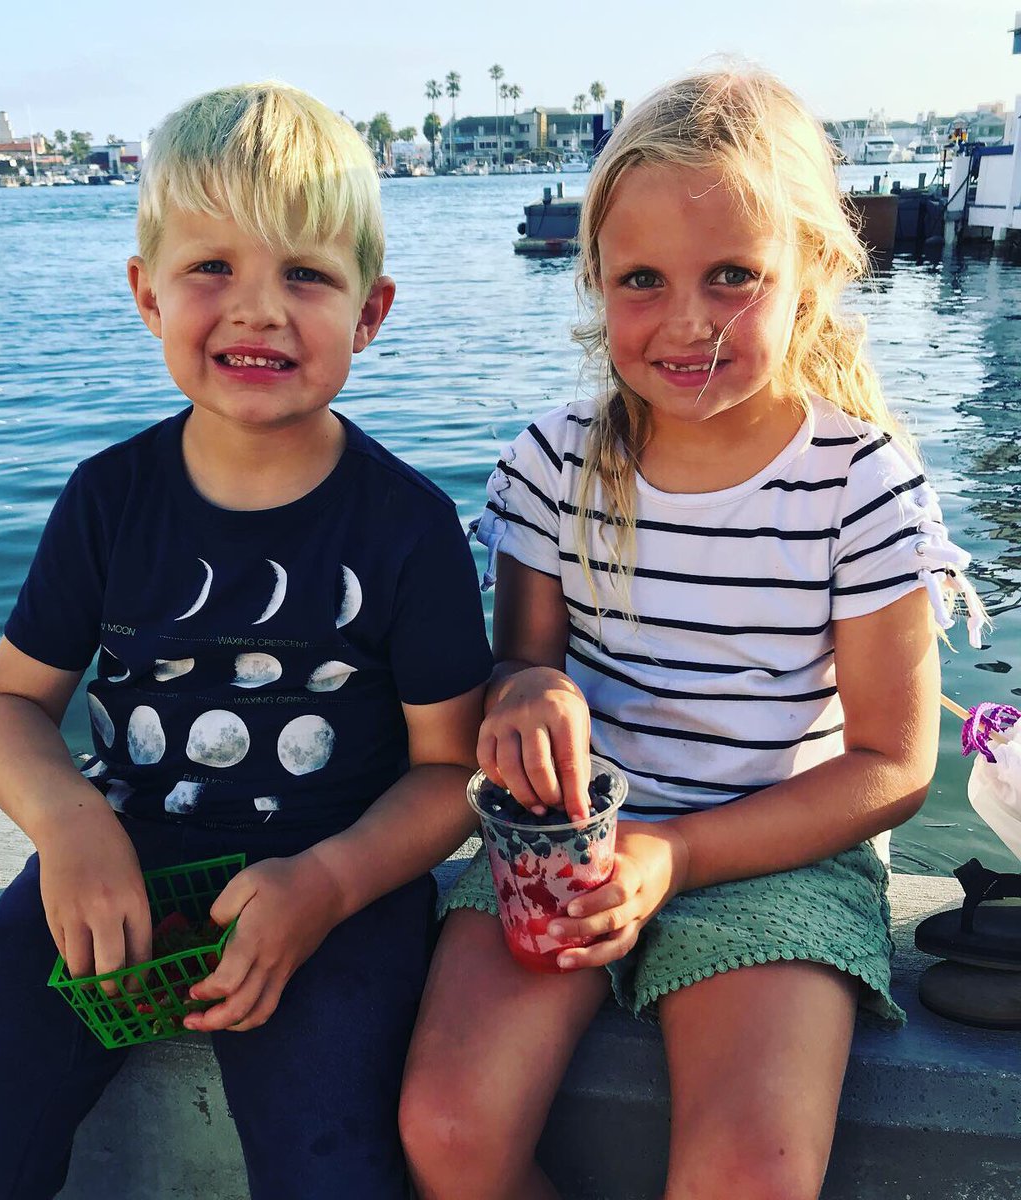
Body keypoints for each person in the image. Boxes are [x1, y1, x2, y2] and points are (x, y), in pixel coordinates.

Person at [0, 81, 492, 1200]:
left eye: (305, 274)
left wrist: (326, 882)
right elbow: (9, 703)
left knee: (331, 1139)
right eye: (211, 268)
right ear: (146, 294)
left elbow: (451, 772)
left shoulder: (408, 528)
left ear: (371, 312)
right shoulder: (109, 499)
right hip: (117, 853)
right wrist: (70, 827)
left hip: (333, 881)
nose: (258, 310)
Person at [398, 65, 984, 1200]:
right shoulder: (552, 462)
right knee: (449, 1136)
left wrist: (682, 855)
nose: (686, 321)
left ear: (810, 273)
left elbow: (895, 765)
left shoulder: (860, 484)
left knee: (748, 1175)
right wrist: (525, 692)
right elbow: (523, 659)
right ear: (595, 281)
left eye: (732, 277)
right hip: (566, 841)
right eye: (642, 281)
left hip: (779, 857)